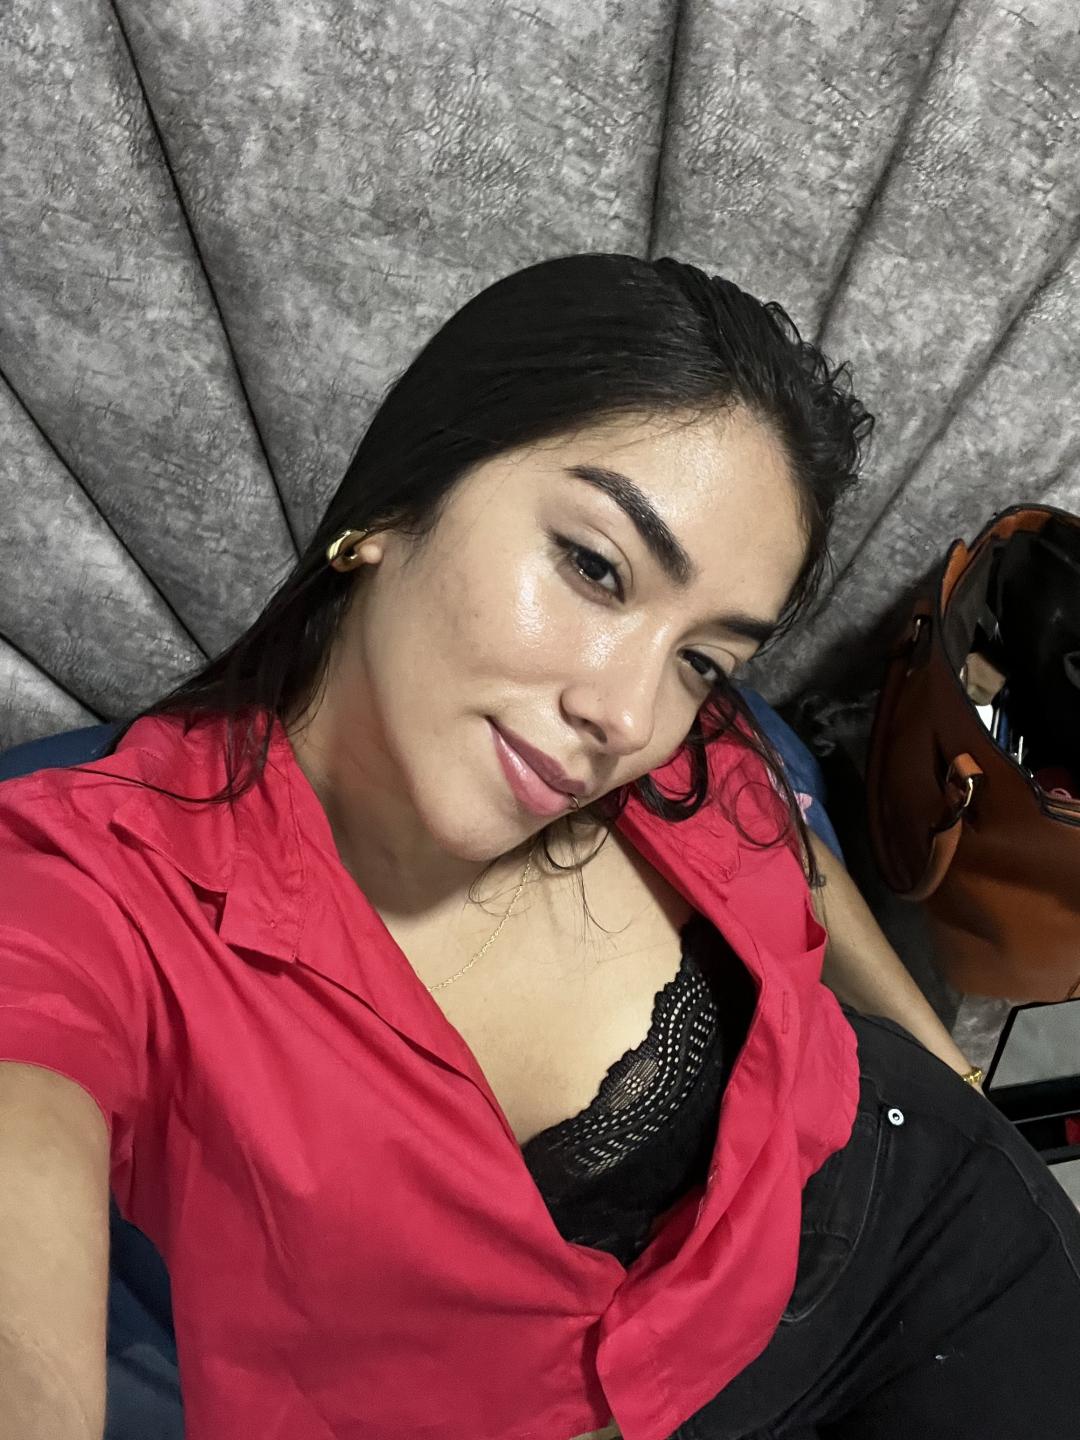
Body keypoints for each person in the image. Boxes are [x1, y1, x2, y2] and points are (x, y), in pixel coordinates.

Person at [0, 254, 1077, 1440]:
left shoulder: (673, 741)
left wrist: (942, 1061)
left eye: (703, 656)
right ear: (397, 501)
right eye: (595, 567)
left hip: (933, 1225)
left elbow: (772, 806)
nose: (628, 716)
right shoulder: (94, 898)